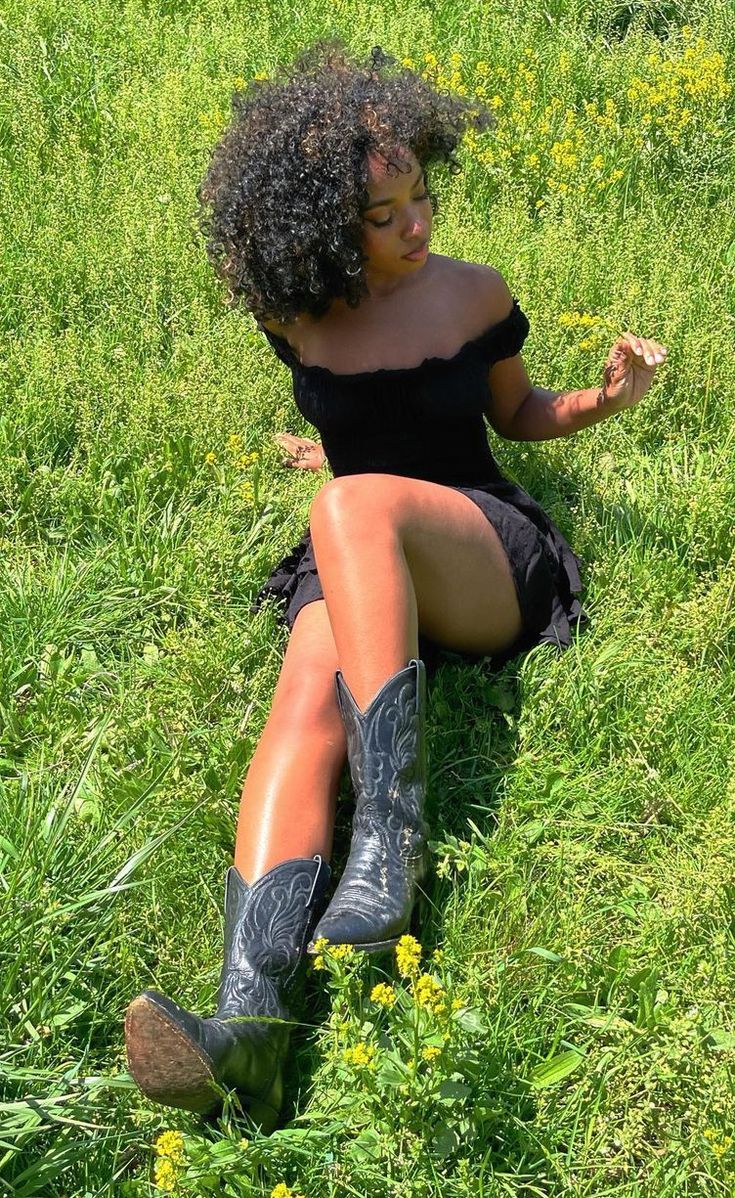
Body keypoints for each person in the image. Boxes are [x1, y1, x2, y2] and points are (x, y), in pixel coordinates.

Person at [124, 39, 667, 1129]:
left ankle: (391, 846)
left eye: (421, 196)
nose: (418, 224)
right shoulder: (299, 317)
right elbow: (351, 422)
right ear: (326, 230)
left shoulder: (473, 294)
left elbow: (514, 416)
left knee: (350, 505)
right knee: (300, 691)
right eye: (385, 216)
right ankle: (252, 1031)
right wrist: (316, 447)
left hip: (481, 553)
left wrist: (604, 403)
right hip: (366, 568)